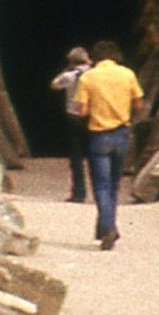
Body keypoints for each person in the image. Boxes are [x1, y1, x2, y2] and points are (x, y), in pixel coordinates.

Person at [71, 39, 145, 249]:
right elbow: (139, 104)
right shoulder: (128, 74)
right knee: (113, 185)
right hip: (121, 134)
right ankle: (108, 227)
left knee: (101, 186)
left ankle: (107, 227)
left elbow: (82, 111)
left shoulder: (88, 77)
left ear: (95, 57)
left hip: (98, 135)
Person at [50, 46, 92, 203]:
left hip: (74, 118)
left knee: (76, 157)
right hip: (93, 117)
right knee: (96, 155)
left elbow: (54, 84)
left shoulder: (70, 76)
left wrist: (67, 70)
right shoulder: (95, 73)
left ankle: (79, 193)